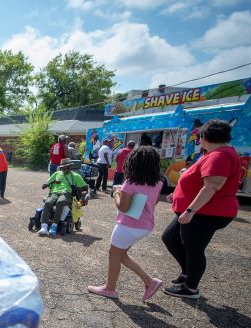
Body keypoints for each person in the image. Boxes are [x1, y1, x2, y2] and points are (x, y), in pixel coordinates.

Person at [161, 119, 240, 299]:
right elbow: (200, 181)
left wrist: (190, 211)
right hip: (197, 210)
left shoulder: (220, 155)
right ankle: (187, 273)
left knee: (194, 248)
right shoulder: (215, 153)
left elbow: (212, 186)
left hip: (205, 212)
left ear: (206, 137)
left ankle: (190, 287)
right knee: (170, 238)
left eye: (200, 136)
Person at [87, 147, 164, 301]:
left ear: (133, 163)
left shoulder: (130, 182)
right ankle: (150, 282)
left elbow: (123, 207)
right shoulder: (158, 182)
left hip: (128, 226)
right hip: (145, 225)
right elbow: (153, 203)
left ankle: (110, 289)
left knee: (114, 255)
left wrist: (117, 193)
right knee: (121, 255)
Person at [38, 158, 87, 236]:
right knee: (48, 202)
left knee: (60, 202)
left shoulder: (76, 176)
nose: (65, 169)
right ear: (61, 168)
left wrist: (83, 198)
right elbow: (43, 186)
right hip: (54, 193)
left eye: (68, 167)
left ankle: (54, 225)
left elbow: (85, 187)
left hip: (66, 194)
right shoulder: (56, 174)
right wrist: (53, 181)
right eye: (63, 168)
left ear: (71, 167)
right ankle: (44, 227)